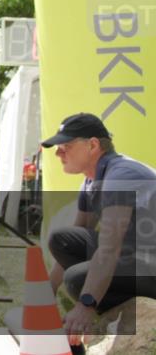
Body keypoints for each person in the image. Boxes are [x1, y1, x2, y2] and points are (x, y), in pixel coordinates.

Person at [42, 113, 156, 351]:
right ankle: (101, 322)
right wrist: (43, 297)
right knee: (62, 240)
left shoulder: (121, 175)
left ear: (93, 145)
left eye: (66, 146)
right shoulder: (93, 179)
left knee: (78, 279)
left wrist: (86, 304)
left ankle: (99, 326)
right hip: (139, 258)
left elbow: (109, 248)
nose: (58, 153)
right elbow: (78, 235)